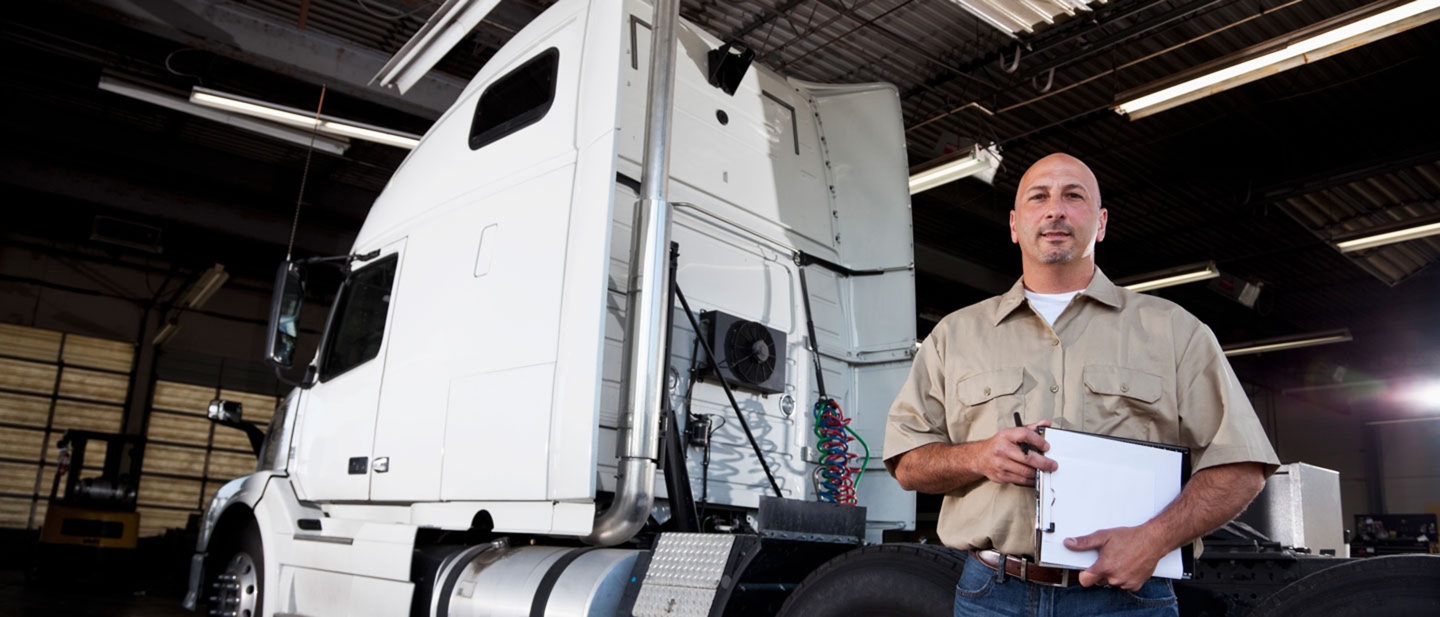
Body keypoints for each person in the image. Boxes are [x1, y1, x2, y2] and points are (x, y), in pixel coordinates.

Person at [883, 153, 1280, 616]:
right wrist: (977, 456)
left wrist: (1153, 540)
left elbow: (1242, 466)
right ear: (1015, 224)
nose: (1055, 210)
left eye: (1073, 196)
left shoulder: (1174, 331)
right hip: (993, 595)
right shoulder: (954, 336)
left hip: (1129, 599)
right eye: (1039, 197)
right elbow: (908, 462)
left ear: (1101, 221)